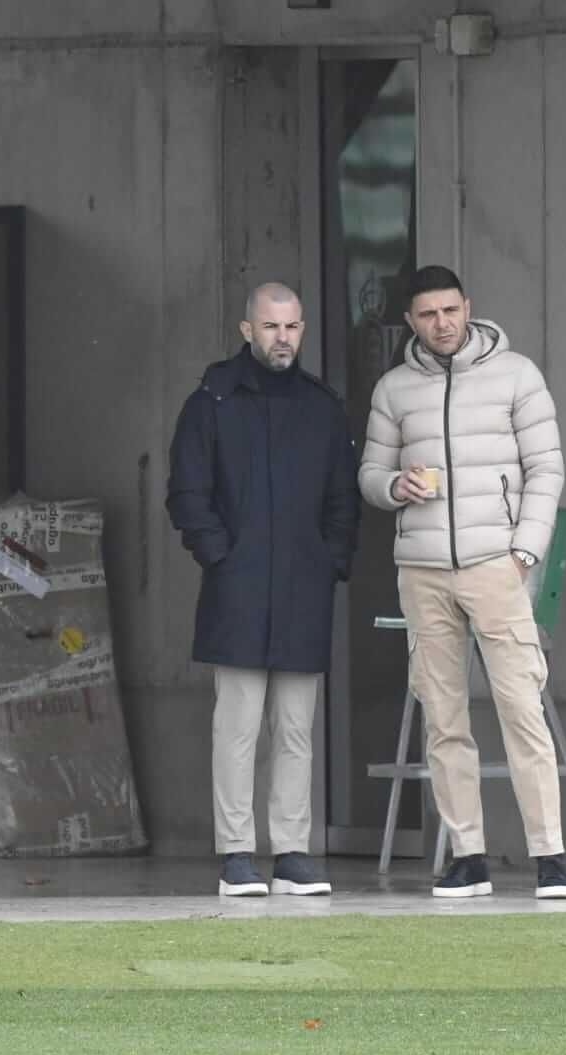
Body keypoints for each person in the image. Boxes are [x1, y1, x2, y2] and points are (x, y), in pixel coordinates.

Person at [358, 265, 566, 900]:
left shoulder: (517, 375)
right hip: (422, 570)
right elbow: (371, 470)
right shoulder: (395, 388)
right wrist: (393, 486)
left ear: (468, 308)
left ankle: (550, 856)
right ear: (411, 321)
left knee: (521, 708)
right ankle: (468, 857)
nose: (441, 324)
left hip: (495, 567)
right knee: (443, 717)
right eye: (427, 315)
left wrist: (524, 555)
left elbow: (547, 468)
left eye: (450, 311)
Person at [169, 282, 361, 897]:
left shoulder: (321, 408)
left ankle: (292, 852)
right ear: (247, 330)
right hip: (239, 588)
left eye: (293, 327)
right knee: (239, 726)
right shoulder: (212, 403)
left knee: (297, 729)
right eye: (272, 327)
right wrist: (219, 556)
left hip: (304, 588)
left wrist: (330, 561)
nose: (284, 338)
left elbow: (342, 500)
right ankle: (236, 854)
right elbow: (186, 493)